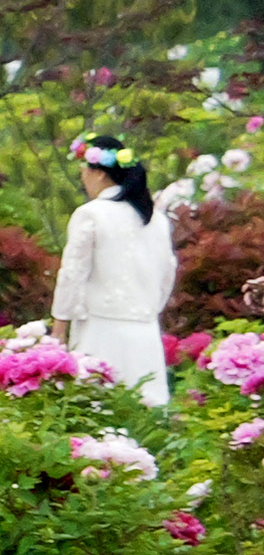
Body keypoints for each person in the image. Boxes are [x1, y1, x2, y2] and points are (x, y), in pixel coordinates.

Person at [55, 133, 179, 403]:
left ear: (99, 174)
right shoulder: (156, 219)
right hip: (144, 333)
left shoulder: (92, 213)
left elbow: (72, 273)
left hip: (100, 329)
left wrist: (59, 325)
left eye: (84, 173)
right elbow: (168, 273)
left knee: (98, 407)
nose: (84, 180)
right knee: (147, 413)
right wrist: (147, 309)